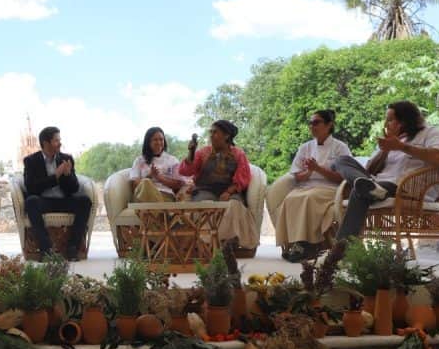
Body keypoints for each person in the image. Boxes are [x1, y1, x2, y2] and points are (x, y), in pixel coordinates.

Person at [333, 101, 439, 241]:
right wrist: (385, 151)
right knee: (341, 160)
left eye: (390, 120)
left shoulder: (431, 133)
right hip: (378, 184)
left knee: (359, 191)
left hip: (405, 188)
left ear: (404, 121)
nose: (386, 124)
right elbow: (370, 170)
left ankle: (342, 249)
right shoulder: (390, 141)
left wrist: (402, 147)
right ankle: (371, 188)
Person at [276, 110, 352, 262]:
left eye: (316, 122)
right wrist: (310, 172)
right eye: (310, 123)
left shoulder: (340, 148)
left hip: (331, 189)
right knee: (291, 198)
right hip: (307, 186)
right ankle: (294, 245)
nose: (312, 126)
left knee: (309, 198)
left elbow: (344, 177)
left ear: (329, 125)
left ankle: (309, 245)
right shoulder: (305, 147)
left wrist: (318, 169)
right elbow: (297, 175)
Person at [178, 120, 259, 249]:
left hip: (229, 191)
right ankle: (205, 244)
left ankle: (227, 243)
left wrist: (229, 191)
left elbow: (243, 177)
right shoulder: (203, 152)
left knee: (234, 206)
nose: (211, 135)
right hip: (205, 190)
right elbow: (185, 171)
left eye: (215, 132)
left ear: (226, 135)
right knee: (205, 206)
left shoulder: (238, 154)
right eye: (211, 132)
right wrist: (191, 153)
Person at [22, 126, 92, 261]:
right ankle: (46, 250)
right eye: (56, 141)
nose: (60, 143)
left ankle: (72, 248)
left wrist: (68, 175)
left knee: (84, 201)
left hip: (63, 201)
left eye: (60, 140)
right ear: (46, 143)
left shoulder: (66, 159)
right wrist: (55, 177)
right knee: (31, 201)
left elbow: (74, 189)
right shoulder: (31, 161)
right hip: (43, 201)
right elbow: (31, 188)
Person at [130, 127, 183, 202]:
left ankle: (155, 211)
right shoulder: (139, 160)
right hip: (143, 195)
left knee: (146, 183)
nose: (159, 142)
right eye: (155, 140)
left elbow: (178, 184)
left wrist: (159, 177)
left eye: (161, 139)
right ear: (148, 142)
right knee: (146, 182)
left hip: (165, 195)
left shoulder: (172, 160)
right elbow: (134, 184)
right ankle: (158, 211)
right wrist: (149, 176)